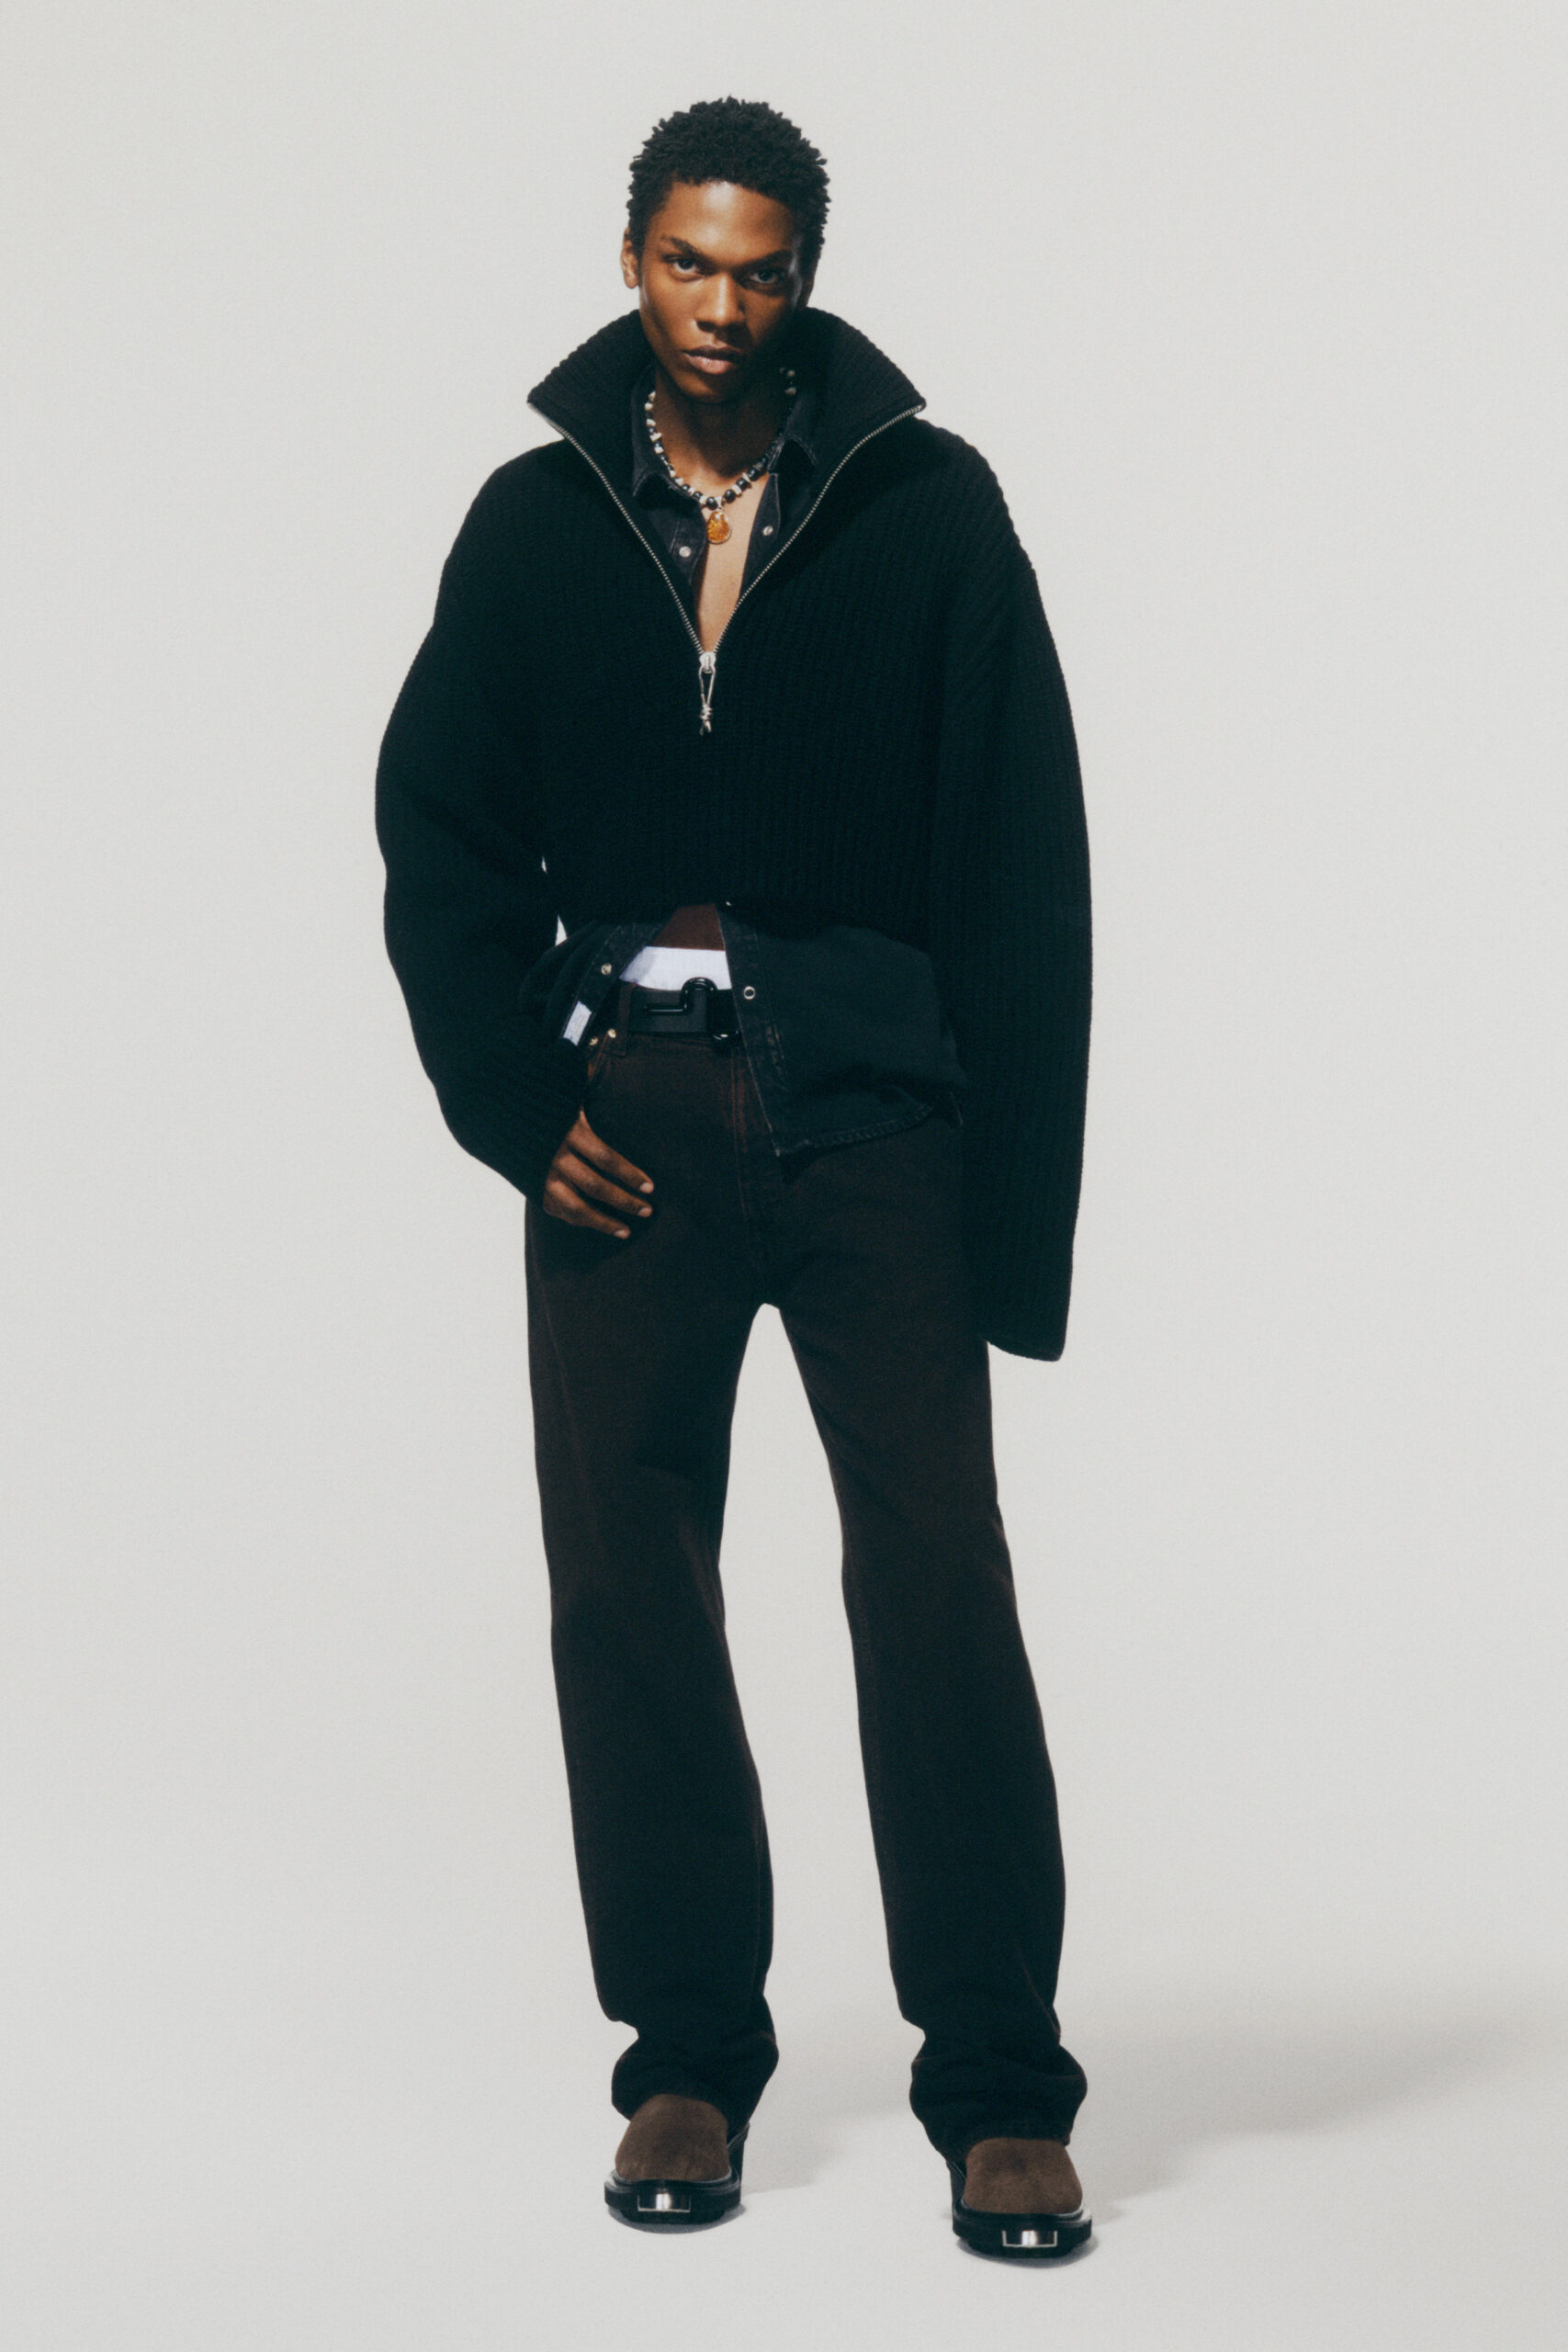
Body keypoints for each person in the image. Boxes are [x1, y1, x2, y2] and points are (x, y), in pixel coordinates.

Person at [377, 96, 1094, 2259]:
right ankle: (685, 2051)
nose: (717, 305)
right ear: (630, 260)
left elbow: (1021, 861)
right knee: (625, 1583)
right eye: (685, 261)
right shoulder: (535, 522)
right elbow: (436, 827)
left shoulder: (925, 506)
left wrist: (1010, 1212)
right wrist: (517, 1104)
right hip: (628, 1128)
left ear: (804, 279)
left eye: (757, 268)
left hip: (876, 1120)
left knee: (934, 1580)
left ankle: (997, 2078)